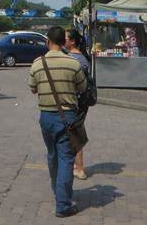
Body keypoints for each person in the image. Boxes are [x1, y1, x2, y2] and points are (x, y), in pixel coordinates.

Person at [29, 25, 86, 218]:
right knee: (66, 158)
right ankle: (62, 204)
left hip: (46, 117)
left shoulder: (37, 63)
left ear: (48, 41)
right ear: (63, 42)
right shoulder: (73, 63)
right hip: (67, 117)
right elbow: (82, 87)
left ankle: (57, 191)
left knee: (52, 155)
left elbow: (33, 88)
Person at [65, 28, 91, 180]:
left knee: (75, 134)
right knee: (74, 132)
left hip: (77, 101)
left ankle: (79, 168)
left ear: (73, 41)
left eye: (65, 38)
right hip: (80, 101)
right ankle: (76, 165)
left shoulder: (74, 59)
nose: (63, 41)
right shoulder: (80, 56)